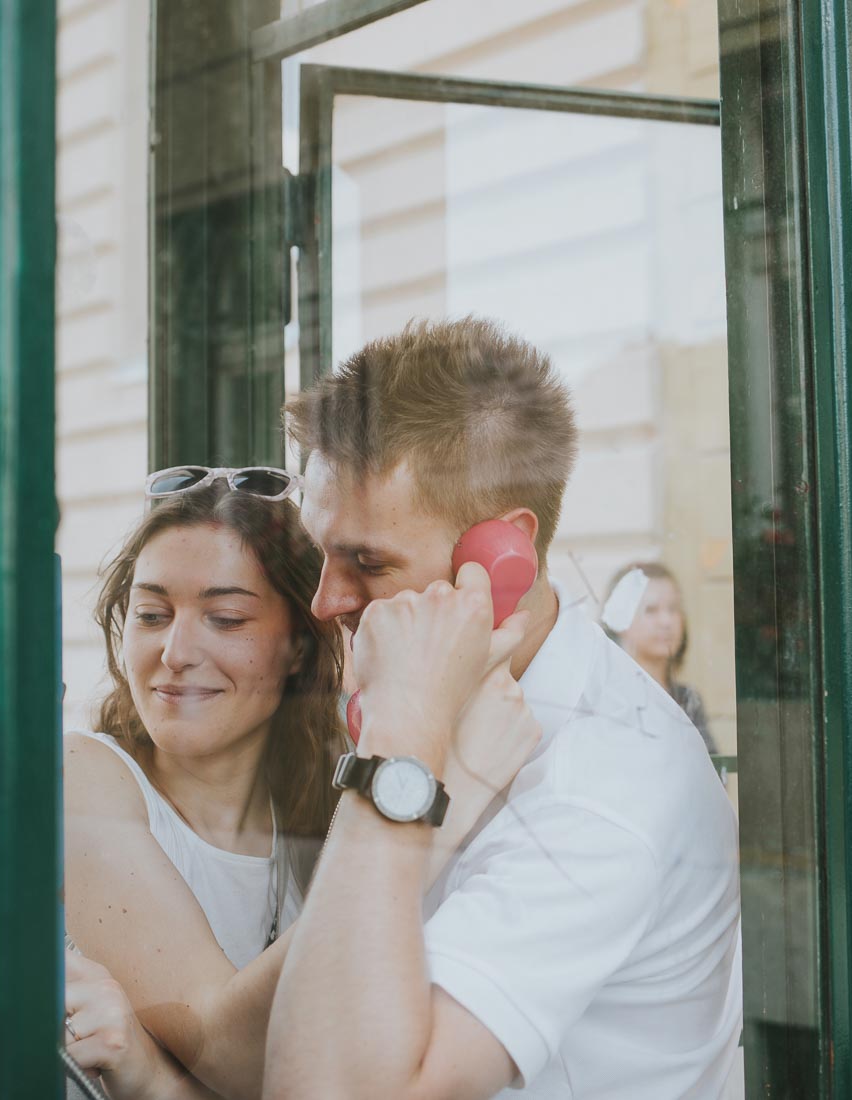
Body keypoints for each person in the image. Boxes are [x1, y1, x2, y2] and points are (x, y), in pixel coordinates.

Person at [265, 317, 743, 1099]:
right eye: (321, 553)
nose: (326, 600)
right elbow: (285, 1017)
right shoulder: (468, 710)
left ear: (501, 559)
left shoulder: (601, 787)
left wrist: (397, 751)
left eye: (368, 562)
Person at [61, 472, 539, 1100]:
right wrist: (431, 811)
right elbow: (229, 1051)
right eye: (152, 615)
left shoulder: (322, 805)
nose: (175, 650)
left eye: (225, 619)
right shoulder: (81, 775)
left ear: (296, 648)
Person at [601, 561, 717, 752]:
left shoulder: (688, 699)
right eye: (651, 610)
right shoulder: (604, 697)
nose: (666, 621)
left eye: (673, 609)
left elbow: (716, 775)